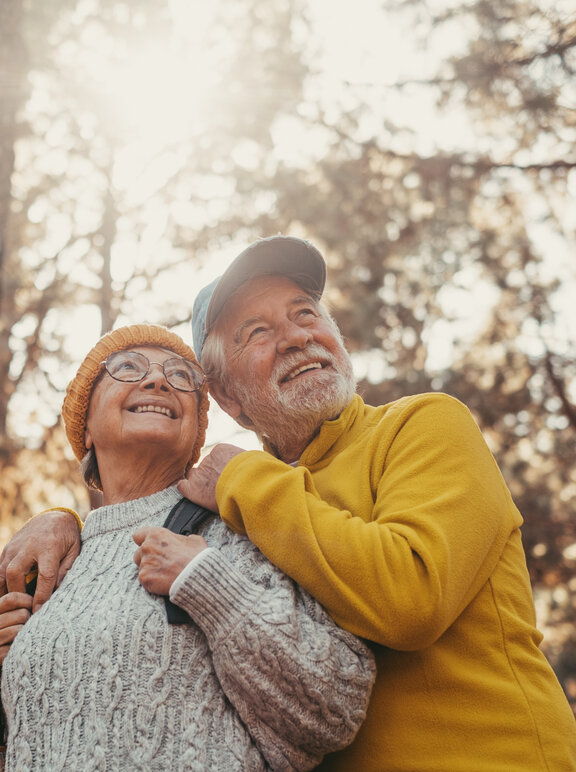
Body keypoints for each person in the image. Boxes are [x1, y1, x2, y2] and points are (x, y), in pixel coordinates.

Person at [2, 236, 576, 770]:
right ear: (227, 397)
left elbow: (411, 598)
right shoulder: (238, 506)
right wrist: (64, 523)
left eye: (306, 313)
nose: (297, 335)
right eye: (256, 331)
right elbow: (132, 530)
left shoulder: (420, 426)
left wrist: (243, 478)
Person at [0, 323, 376, 771]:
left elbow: (335, 709)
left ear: (197, 430)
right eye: (126, 368)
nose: (158, 381)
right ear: (85, 429)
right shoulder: (49, 563)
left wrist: (208, 583)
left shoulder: (238, 529)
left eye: (181, 376)